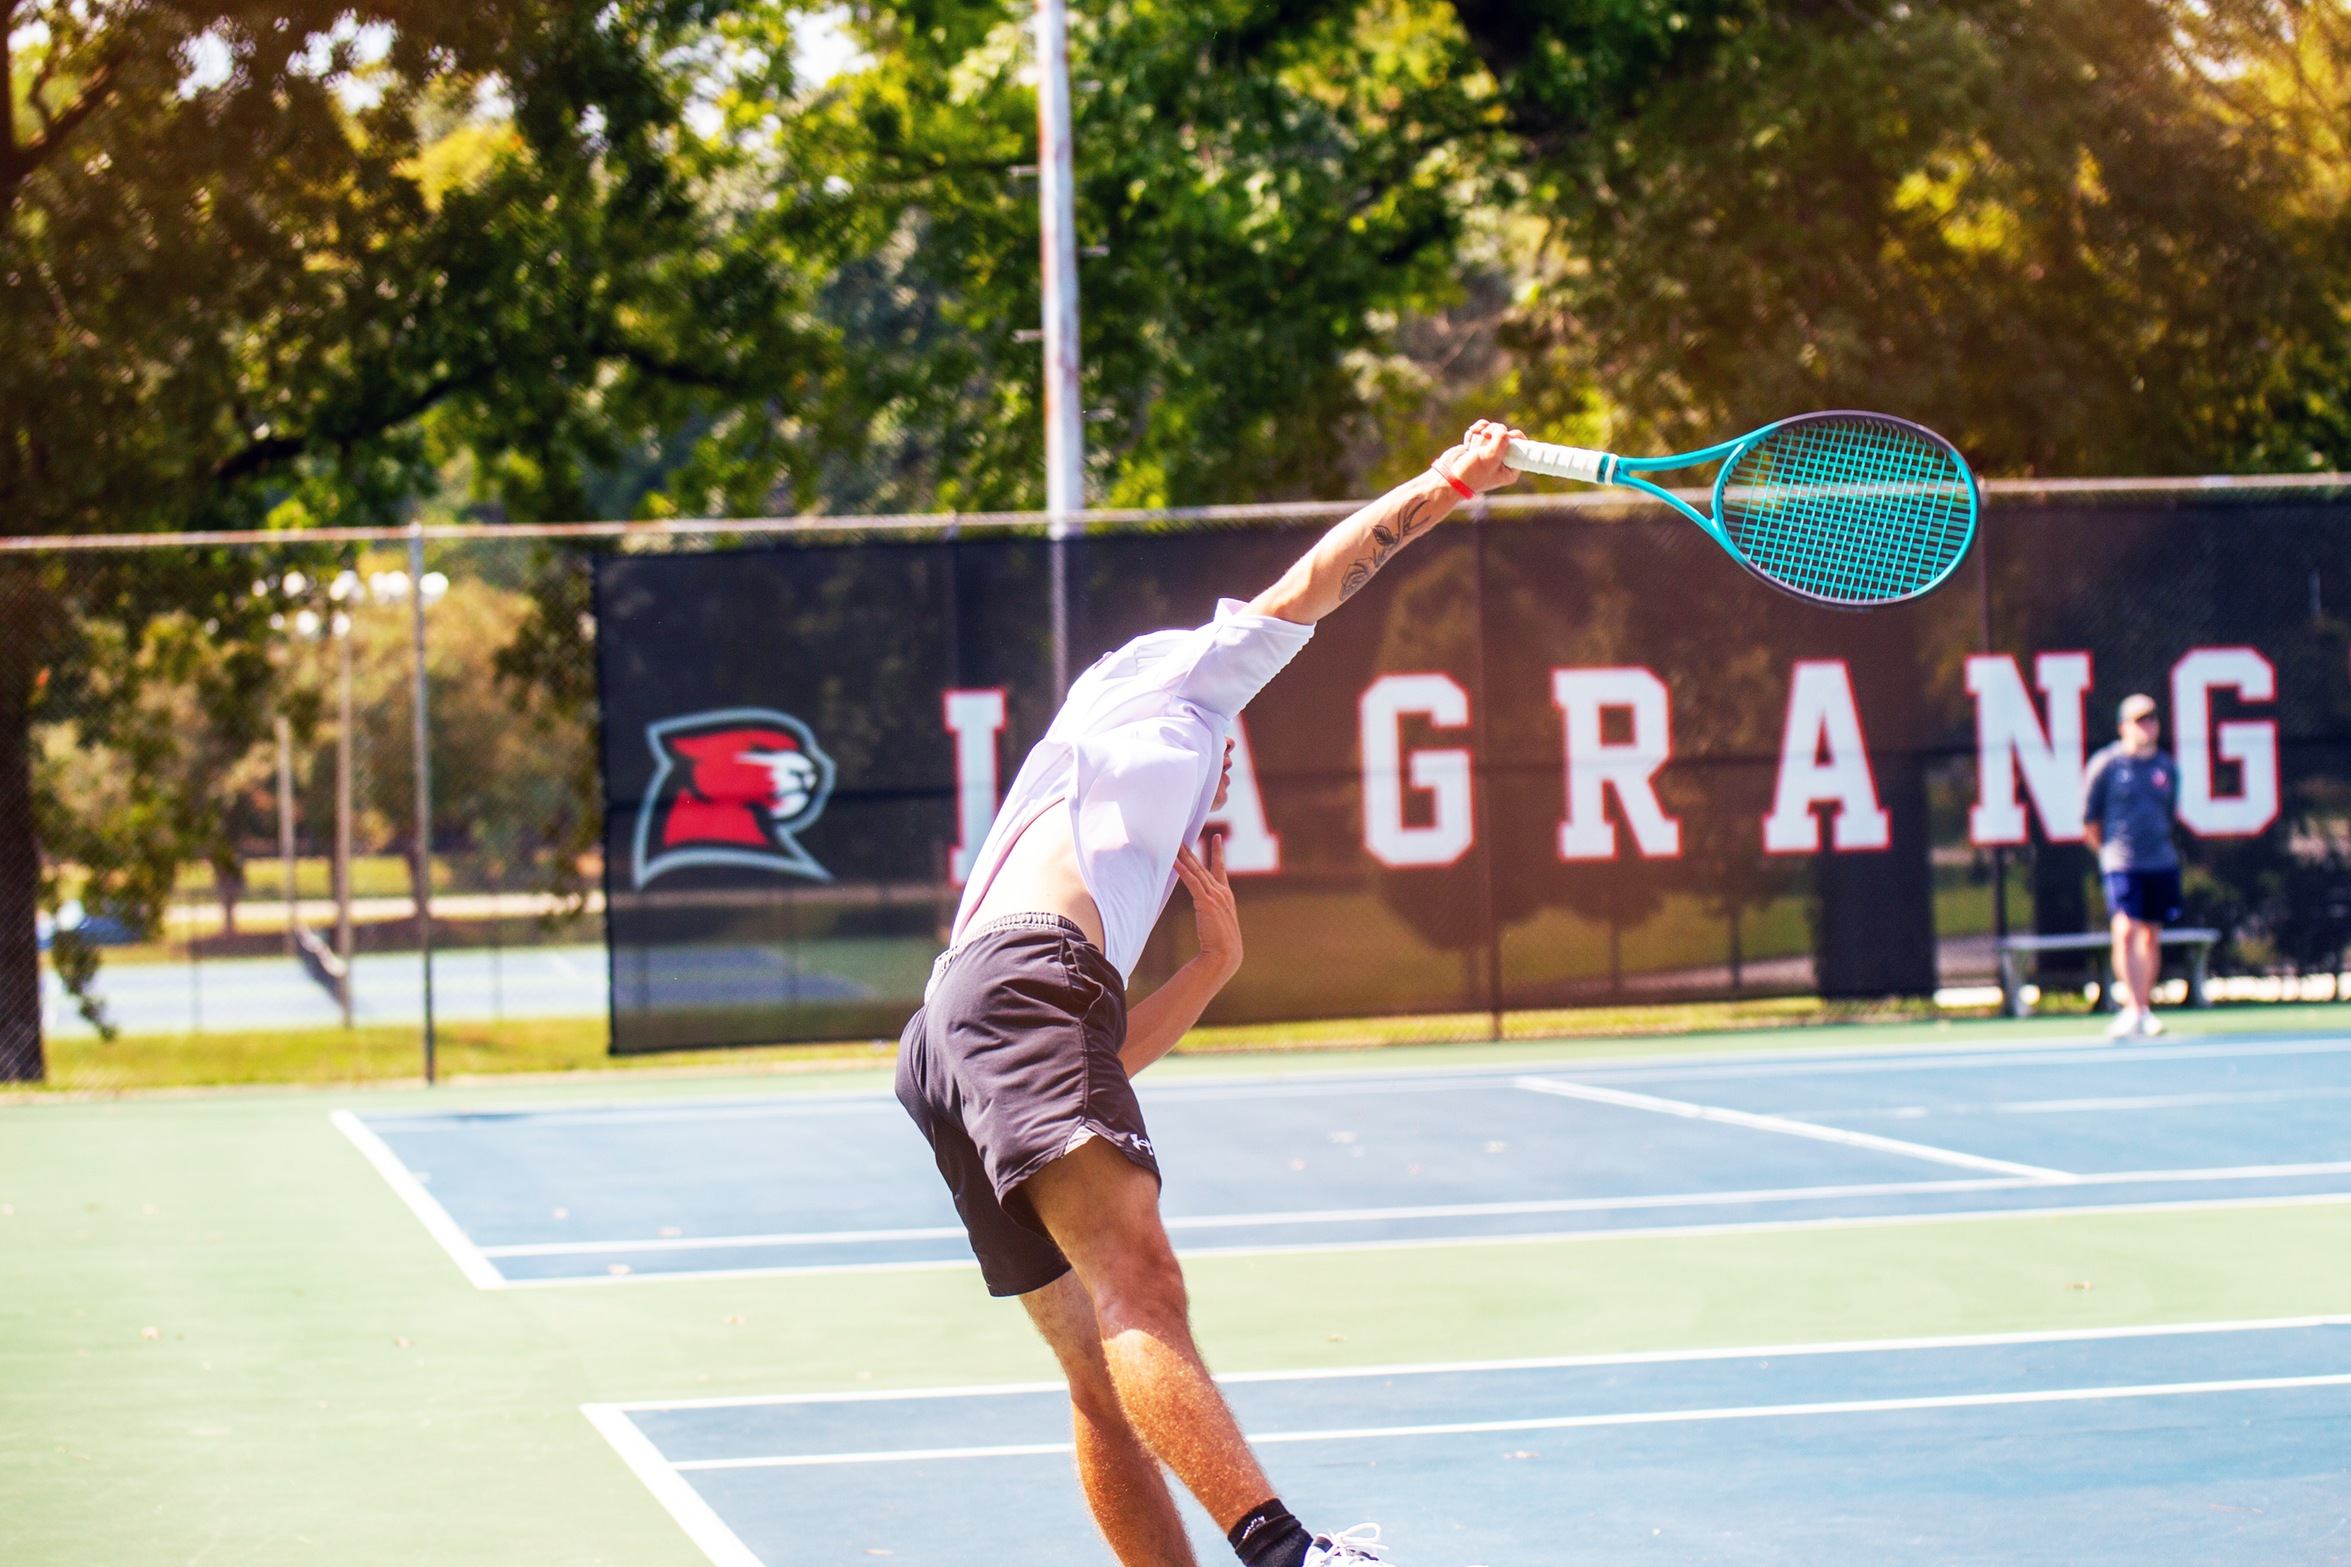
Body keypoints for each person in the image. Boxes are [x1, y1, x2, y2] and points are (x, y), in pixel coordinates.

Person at [895, 421, 1525, 1567]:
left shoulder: (1089, 803)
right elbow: (1315, 583)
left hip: (947, 1028)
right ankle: (1288, 1555)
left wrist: (1205, 970)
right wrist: (1448, 484)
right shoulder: (1178, 695)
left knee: (1097, 1374)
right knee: (1140, 1279)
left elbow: (1086, 1070)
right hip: (1022, 985)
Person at [2082, 692, 2182, 1038]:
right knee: (2124, 930)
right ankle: (2132, 1008)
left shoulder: (2166, 768)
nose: (2147, 726)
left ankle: (2144, 1008)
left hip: (2160, 862)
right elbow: (2090, 819)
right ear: (2124, 726)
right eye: (2139, 720)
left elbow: (2168, 815)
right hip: (2121, 862)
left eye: (2151, 719)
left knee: (2151, 936)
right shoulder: (2106, 765)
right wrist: (2108, 854)